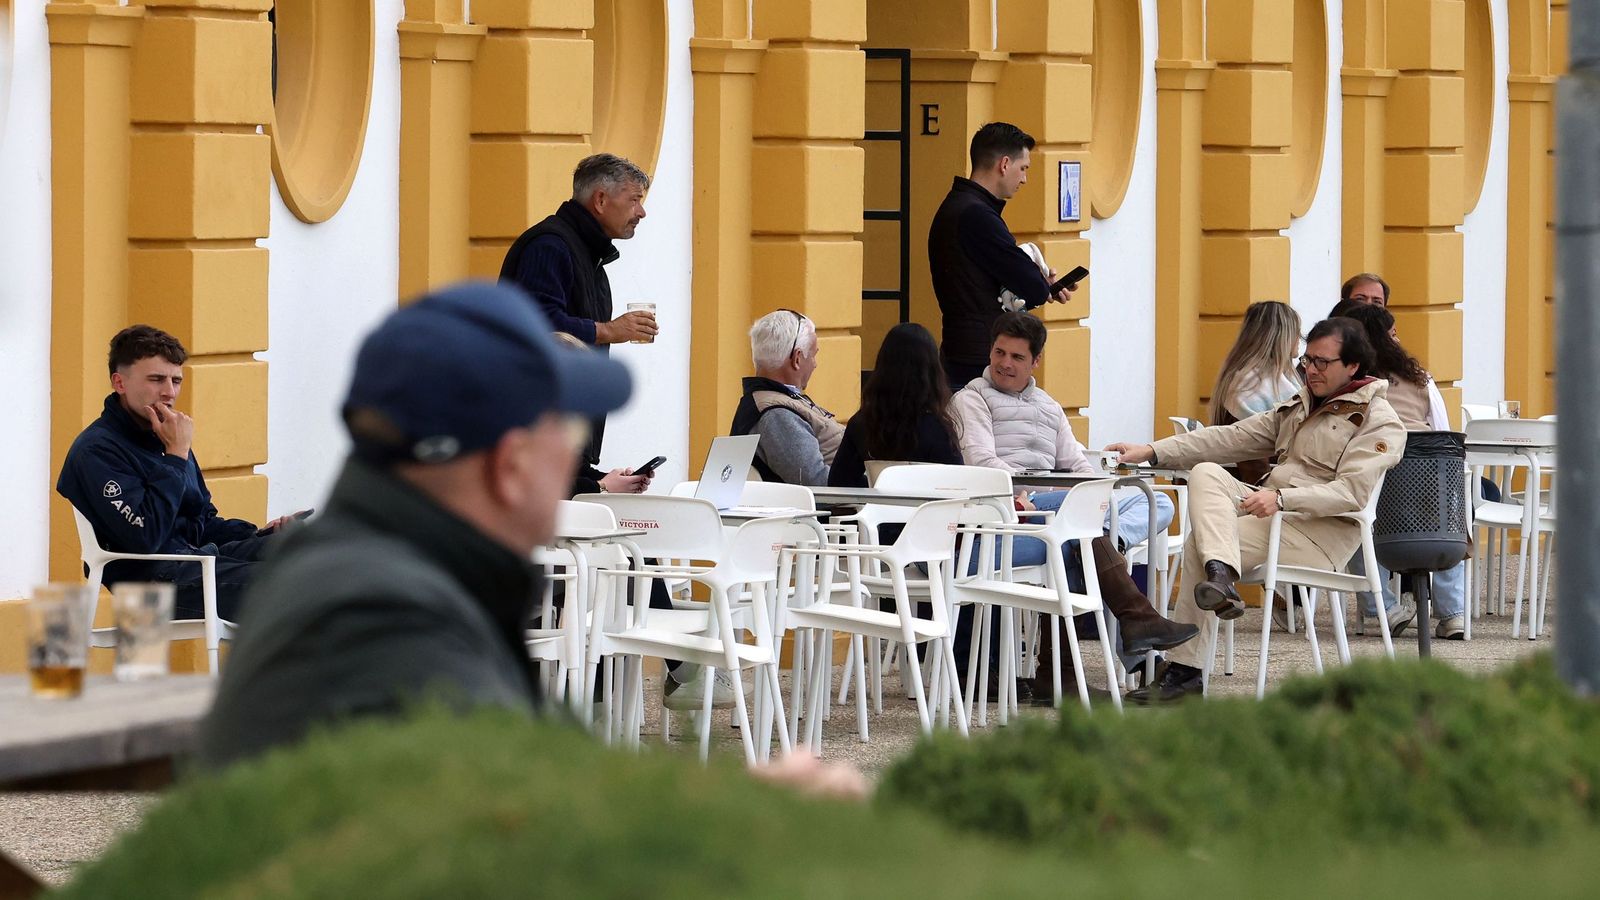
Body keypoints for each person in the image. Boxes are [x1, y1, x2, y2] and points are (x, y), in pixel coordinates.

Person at [199, 281, 634, 768]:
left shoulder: (374, 567)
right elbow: (501, 824)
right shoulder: (393, 619)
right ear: (510, 464)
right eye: (571, 431)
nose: (576, 452)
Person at [1107, 317, 1406, 703]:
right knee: (1207, 472)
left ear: (1353, 366)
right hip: (1271, 518)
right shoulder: (1301, 405)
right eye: (1307, 361)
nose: (1310, 371)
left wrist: (1283, 500)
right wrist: (1151, 451)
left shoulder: (1378, 420)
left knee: (1203, 541)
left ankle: (1187, 669)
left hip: (1320, 534)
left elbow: (1352, 493)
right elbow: (1231, 438)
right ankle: (1221, 578)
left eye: (1322, 363)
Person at [948, 312, 1196, 698]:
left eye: (1016, 357)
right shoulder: (972, 398)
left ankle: (1101, 545)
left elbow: (1078, 464)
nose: (1005, 364)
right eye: (1000, 353)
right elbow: (981, 460)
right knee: (1075, 528)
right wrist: (1045, 497)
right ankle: (1125, 598)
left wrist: (1101, 493)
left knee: (1156, 500)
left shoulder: (1049, 407)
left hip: (1057, 518)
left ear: (1036, 361)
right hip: (1009, 517)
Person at [56, 326, 308, 622]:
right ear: (119, 382)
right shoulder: (97, 450)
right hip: (151, 583)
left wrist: (259, 533)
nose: (169, 392)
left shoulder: (166, 437)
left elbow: (202, 521)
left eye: (176, 380)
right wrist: (176, 455)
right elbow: (144, 536)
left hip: (197, 560)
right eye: (156, 379)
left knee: (310, 554)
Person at [499, 153, 655, 480]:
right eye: (634, 200)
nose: (641, 212)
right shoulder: (550, 246)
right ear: (600, 200)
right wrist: (608, 330)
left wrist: (599, 480)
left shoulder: (588, 255)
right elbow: (541, 327)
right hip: (536, 437)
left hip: (560, 441)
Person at [1345, 303, 1466, 640]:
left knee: (1355, 527)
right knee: (1450, 523)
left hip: (1377, 476)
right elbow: (1442, 428)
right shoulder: (1419, 378)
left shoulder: (1355, 382)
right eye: (1393, 332)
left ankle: (1380, 608)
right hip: (1427, 472)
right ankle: (1453, 613)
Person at [929, 122, 1073, 389]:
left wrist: (1042, 283)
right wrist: (1041, 283)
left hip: (960, 348)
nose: (1024, 178)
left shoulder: (957, 206)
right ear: (1004, 164)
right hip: (978, 358)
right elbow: (1030, 285)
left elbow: (990, 276)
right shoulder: (977, 215)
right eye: (1024, 168)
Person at [828, 323, 962, 488]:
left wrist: (877, 488)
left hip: (876, 513)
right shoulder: (938, 429)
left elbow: (838, 482)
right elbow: (958, 487)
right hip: (926, 513)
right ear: (932, 373)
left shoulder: (861, 423)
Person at [731, 309, 844, 485]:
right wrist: (871, 482)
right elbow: (817, 483)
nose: (815, 364)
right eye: (813, 355)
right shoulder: (775, 415)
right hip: (842, 506)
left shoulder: (777, 402)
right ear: (797, 359)